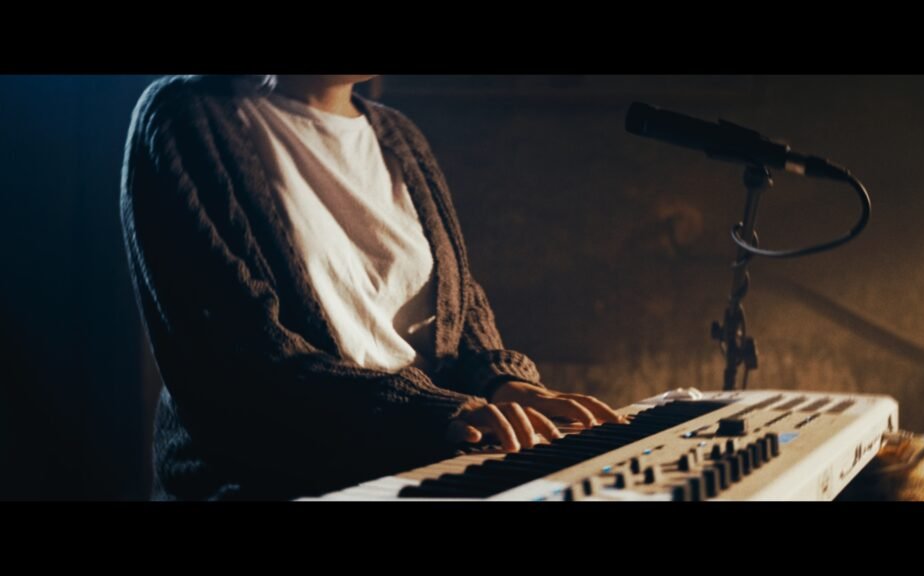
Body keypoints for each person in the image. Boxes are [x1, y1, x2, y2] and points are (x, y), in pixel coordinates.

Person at [120, 74, 623, 500]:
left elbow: (456, 306)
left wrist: (499, 382)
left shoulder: (399, 135)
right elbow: (237, 365)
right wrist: (428, 413)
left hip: (429, 457)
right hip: (270, 483)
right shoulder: (186, 116)